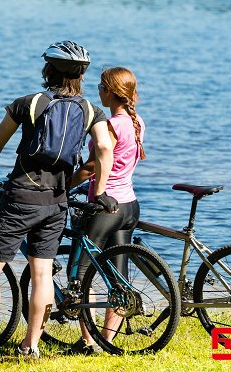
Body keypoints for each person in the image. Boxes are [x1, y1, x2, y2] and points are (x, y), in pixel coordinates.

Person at [0, 41, 117, 361]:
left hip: (20, 198)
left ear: (48, 69)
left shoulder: (29, 103)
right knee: (42, 273)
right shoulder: (91, 111)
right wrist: (101, 191)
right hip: (57, 201)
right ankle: (31, 347)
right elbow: (105, 150)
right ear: (81, 74)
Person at [67, 66, 146, 354]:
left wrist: (63, 186)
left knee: (81, 274)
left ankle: (89, 342)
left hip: (105, 207)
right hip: (129, 205)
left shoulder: (111, 125)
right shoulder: (137, 122)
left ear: (111, 92)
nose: (97, 90)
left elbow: (91, 167)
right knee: (118, 277)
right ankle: (107, 340)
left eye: (101, 86)